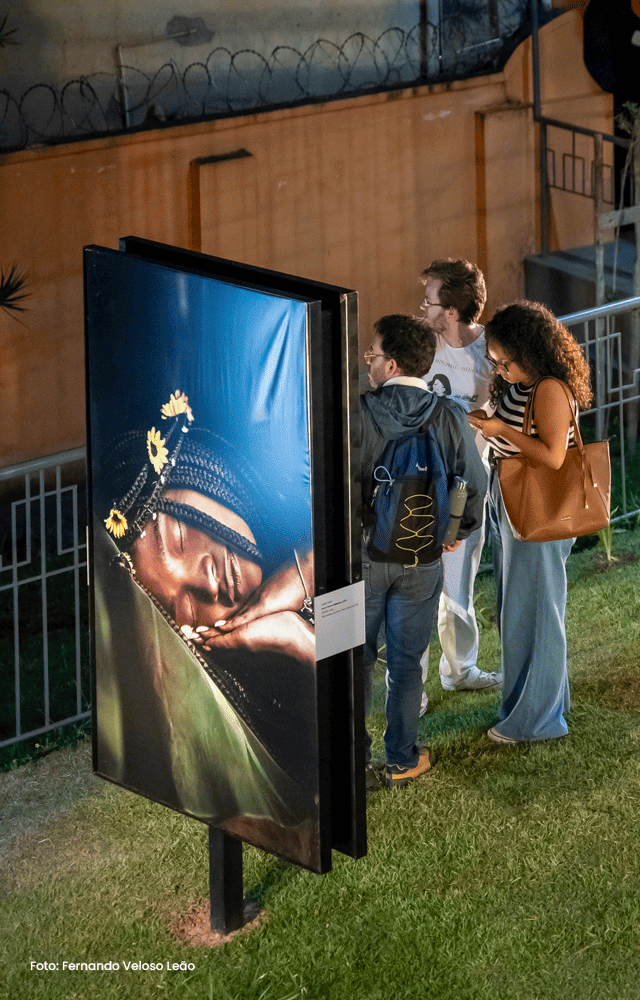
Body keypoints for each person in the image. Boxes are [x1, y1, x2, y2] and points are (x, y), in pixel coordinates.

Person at [94, 398, 320, 861]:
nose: (204, 580)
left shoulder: (306, 478)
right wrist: (300, 641)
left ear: (199, 472)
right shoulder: (240, 701)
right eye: (181, 605)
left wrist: (305, 571)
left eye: (176, 537)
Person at [354, 314, 487, 786]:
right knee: (407, 664)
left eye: (372, 354)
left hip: (364, 559)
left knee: (355, 662)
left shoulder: (359, 412)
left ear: (390, 364)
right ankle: (402, 758)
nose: (368, 361)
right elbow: (476, 481)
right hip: (423, 557)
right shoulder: (448, 414)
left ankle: (351, 764)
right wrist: (456, 531)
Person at [466, 300, 593, 745]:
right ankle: (537, 704)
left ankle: (536, 721)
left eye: (507, 362)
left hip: (538, 504)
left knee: (537, 611)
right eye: (495, 362)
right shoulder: (524, 386)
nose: (500, 370)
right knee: (518, 609)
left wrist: (500, 432)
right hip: (512, 499)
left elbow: (554, 457)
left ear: (532, 352)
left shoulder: (551, 389)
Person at [417, 258, 502, 698]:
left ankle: (461, 670)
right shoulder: (419, 345)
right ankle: (414, 688)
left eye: (429, 300)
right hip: (420, 485)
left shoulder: (490, 350)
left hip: (465, 488)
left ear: (451, 310)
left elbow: (496, 412)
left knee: (458, 586)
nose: (422, 307)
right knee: (416, 588)